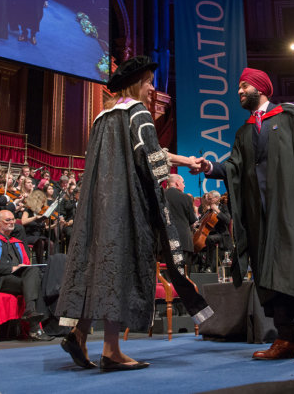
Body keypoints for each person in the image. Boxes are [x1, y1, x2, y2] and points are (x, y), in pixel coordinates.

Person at [56, 56, 212, 372]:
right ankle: (111, 350)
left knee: (97, 268)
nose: (152, 89)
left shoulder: (102, 117)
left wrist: (184, 160)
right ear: (136, 83)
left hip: (98, 206)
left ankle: (79, 331)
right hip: (126, 206)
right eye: (149, 82)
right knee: (120, 271)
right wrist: (171, 176)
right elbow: (152, 159)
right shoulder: (138, 113)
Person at [194, 67, 294, 362]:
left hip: (291, 208)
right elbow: (233, 167)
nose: (239, 92)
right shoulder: (244, 131)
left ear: (261, 89)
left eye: (244, 86)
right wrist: (209, 167)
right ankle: (286, 337)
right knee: (268, 276)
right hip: (260, 216)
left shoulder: (289, 116)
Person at [0, 210, 52, 343]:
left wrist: (22, 268)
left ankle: (30, 311)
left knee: (33, 271)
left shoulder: (17, 243)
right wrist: (12, 268)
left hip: (17, 281)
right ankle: (35, 328)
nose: (12, 222)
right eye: (8, 220)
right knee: (32, 285)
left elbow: (26, 265)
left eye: (13, 219)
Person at [165, 174, 198, 274]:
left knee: (166, 275)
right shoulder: (186, 198)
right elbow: (192, 220)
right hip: (183, 241)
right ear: (177, 183)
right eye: (183, 183)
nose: (184, 186)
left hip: (164, 241)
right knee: (184, 275)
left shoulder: (160, 196)